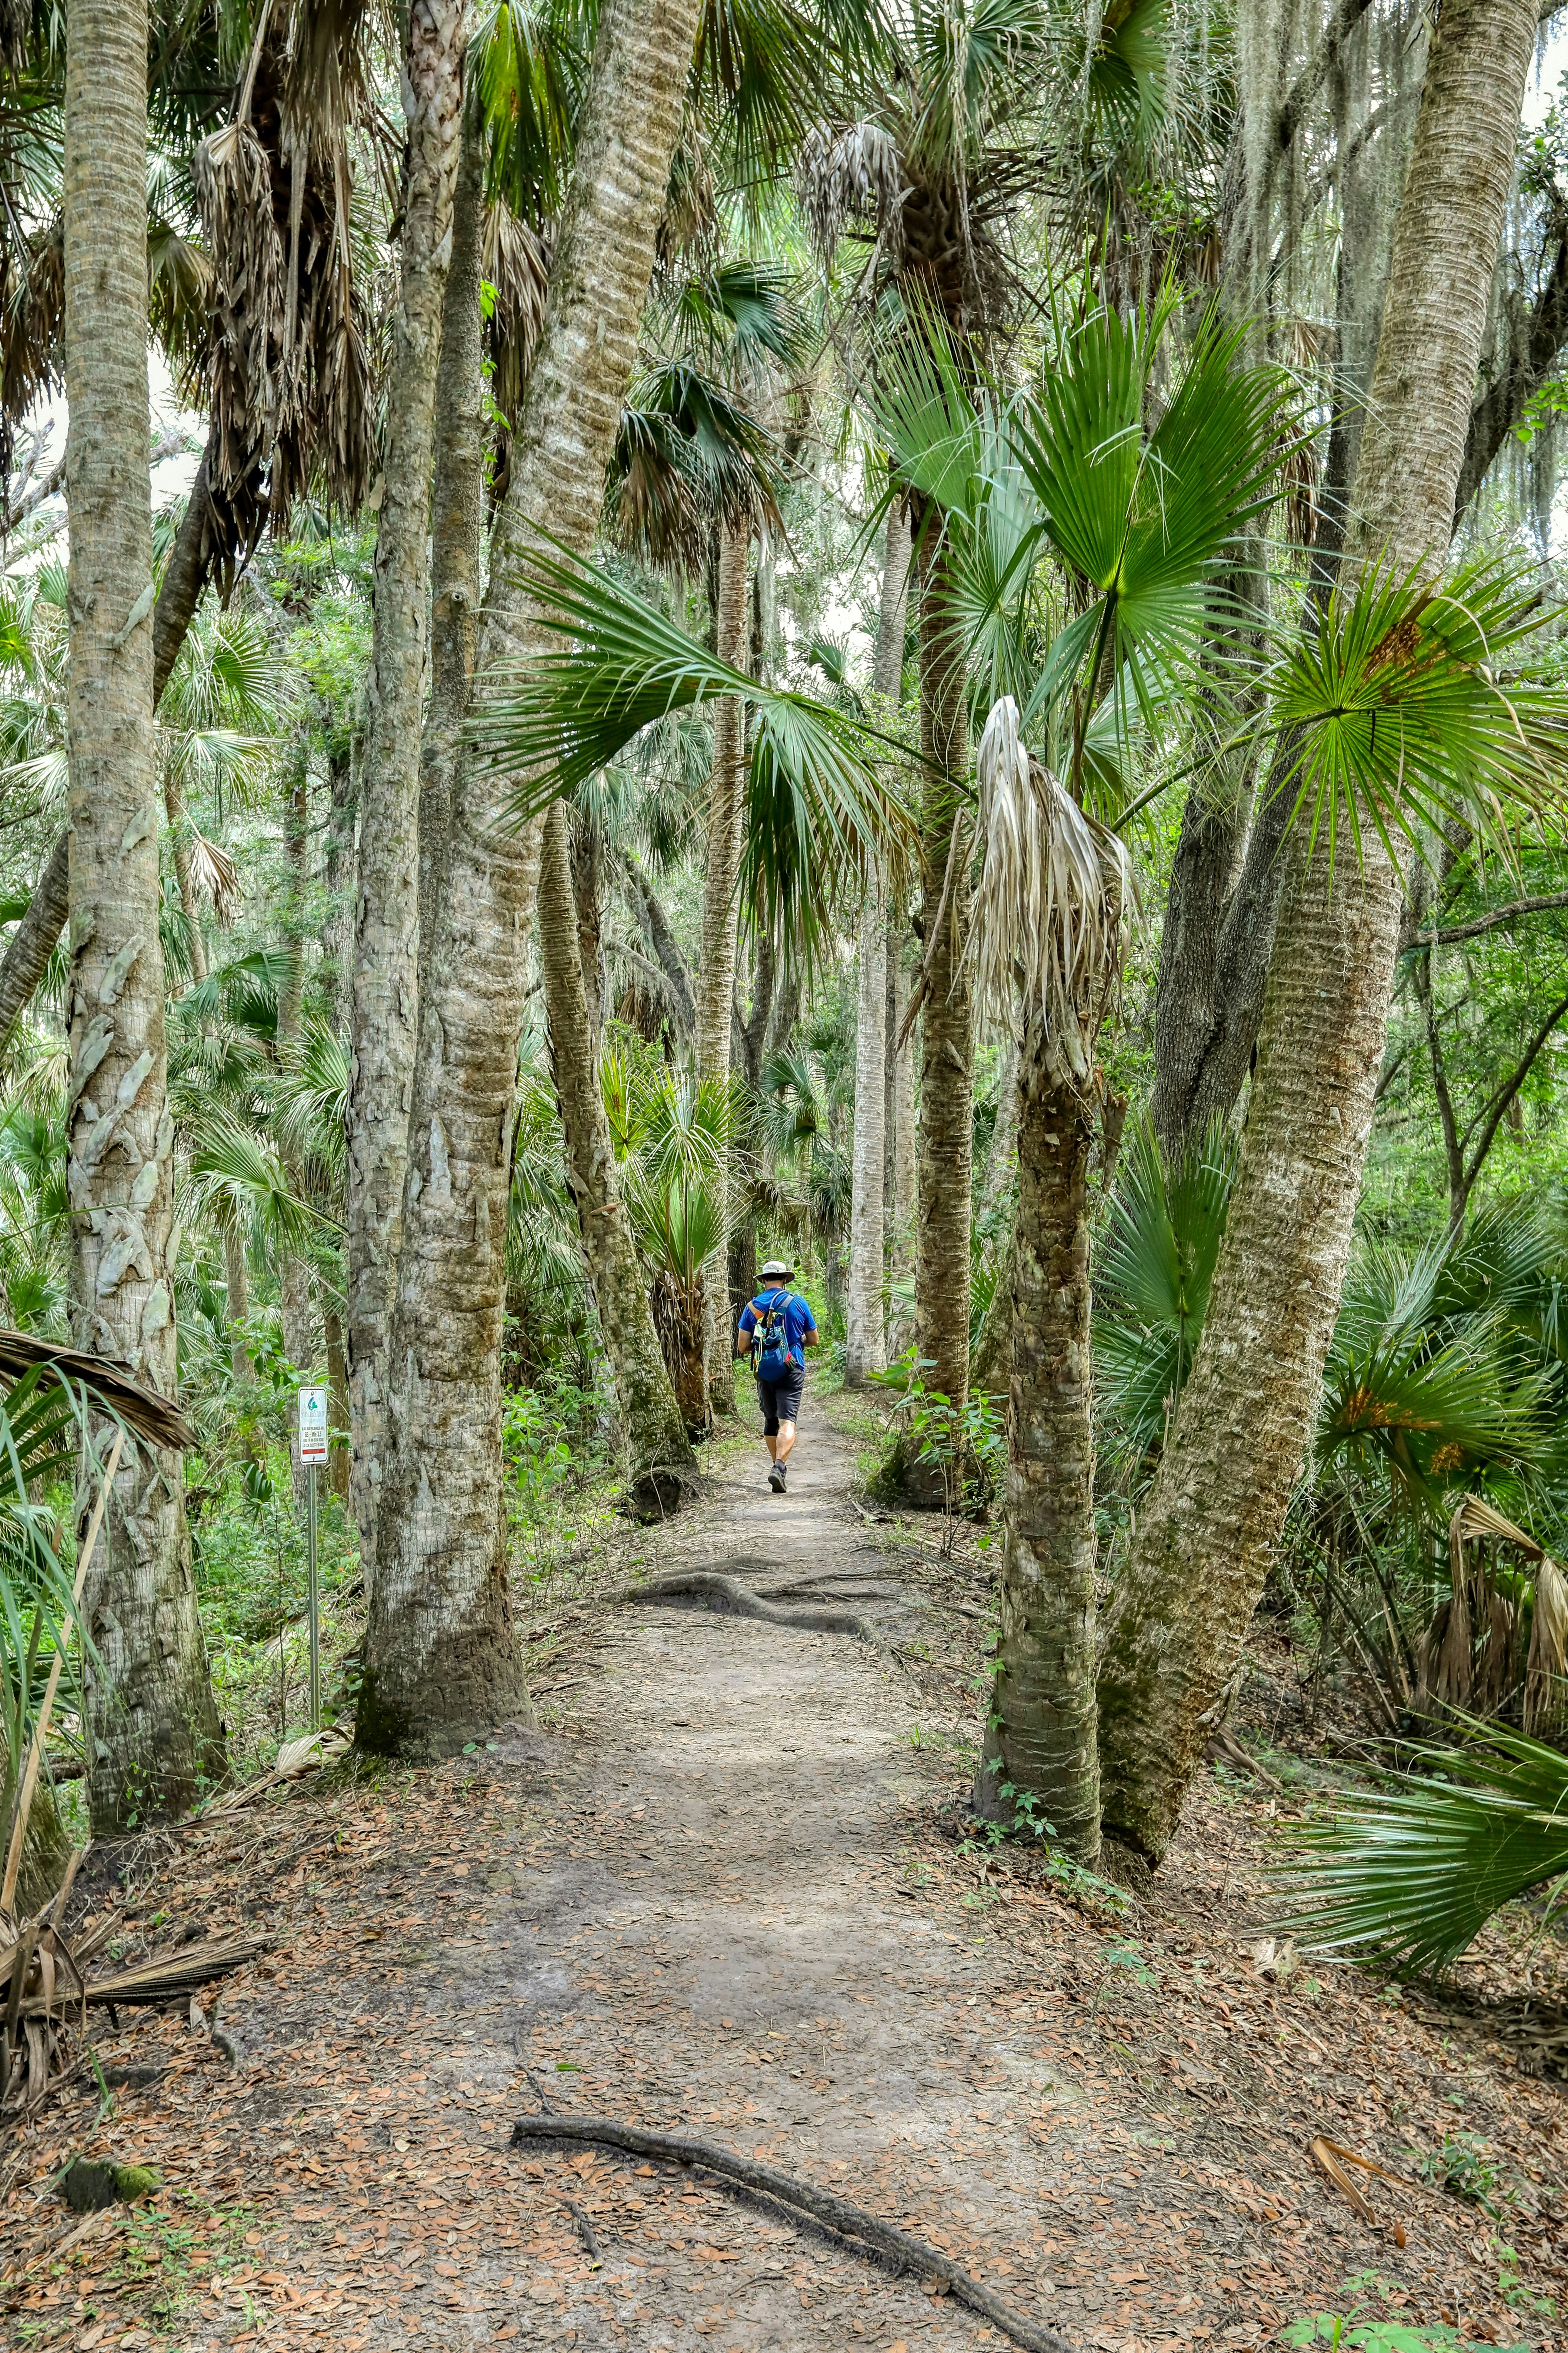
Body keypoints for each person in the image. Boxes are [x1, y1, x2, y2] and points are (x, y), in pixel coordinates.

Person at [735, 1259, 818, 1493]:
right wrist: (795, 1342)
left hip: (763, 1370)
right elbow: (814, 1340)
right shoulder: (798, 1303)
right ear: (785, 1280)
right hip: (792, 1367)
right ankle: (780, 1467)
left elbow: (742, 1346)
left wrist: (765, 1346)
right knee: (788, 1421)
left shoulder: (751, 1307)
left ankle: (776, 1467)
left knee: (771, 1421)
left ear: (763, 1281)